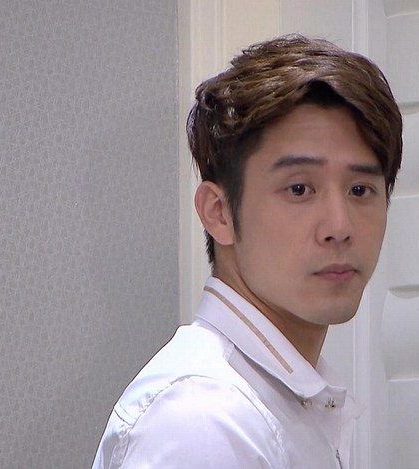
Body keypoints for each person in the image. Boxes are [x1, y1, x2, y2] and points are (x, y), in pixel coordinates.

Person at [92, 34, 402, 468]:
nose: (339, 227)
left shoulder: (288, 396)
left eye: (360, 190)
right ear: (219, 213)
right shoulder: (203, 421)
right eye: (299, 189)